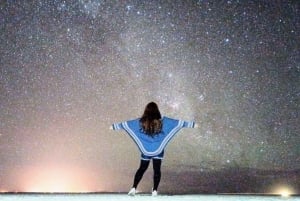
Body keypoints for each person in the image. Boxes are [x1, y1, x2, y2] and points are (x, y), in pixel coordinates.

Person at [111, 102, 196, 196]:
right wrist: (193, 125)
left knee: (142, 169)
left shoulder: (141, 122)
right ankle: (154, 190)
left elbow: (127, 124)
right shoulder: (162, 122)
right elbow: (178, 123)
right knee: (157, 169)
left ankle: (133, 188)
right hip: (158, 150)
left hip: (145, 150)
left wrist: (113, 127)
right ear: (157, 110)